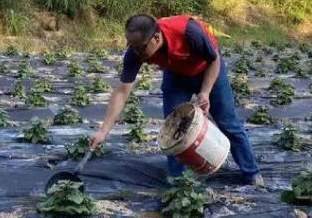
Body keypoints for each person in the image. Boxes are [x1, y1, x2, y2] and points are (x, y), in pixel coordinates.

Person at [90, 13, 263, 185]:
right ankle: (180, 184)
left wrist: (205, 92)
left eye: (141, 48)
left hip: (208, 71)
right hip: (176, 77)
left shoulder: (189, 32)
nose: (137, 53)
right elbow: (122, 91)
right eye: (132, 47)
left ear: (156, 38)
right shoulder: (135, 52)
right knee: (173, 130)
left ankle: (252, 174)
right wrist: (104, 130)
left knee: (228, 123)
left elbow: (214, 59)